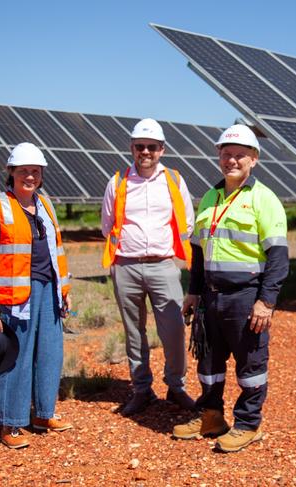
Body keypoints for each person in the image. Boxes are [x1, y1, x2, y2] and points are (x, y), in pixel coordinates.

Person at [172, 124, 289, 453]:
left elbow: (279, 257)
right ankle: (210, 415)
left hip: (245, 296)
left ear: (254, 159)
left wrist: (266, 302)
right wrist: (193, 291)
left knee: (250, 366)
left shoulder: (264, 199)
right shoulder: (210, 196)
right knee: (208, 363)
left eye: (240, 155)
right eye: (227, 154)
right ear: (219, 156)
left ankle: (248, 424)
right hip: (210, 297)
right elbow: (199, 252)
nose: (232, 160)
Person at [0, 142, 73, 449]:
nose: (29, 176)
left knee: (50, 352)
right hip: (15, 293)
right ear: (11, 172)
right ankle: (10, 423)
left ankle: (44, 413)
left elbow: (56, 251)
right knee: (15, 357)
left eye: (35, 171)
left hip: (48, 289)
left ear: (41, 174)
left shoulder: (45, 204)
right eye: (23, 171)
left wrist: (64, 290)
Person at [101, 118, 196, 415]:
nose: (146, 151)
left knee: (173, 330)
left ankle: (176, 387)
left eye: (152, 147)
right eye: (140, 146)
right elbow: (107, 226)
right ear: (131, 148)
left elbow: (188, 224)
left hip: (163, 265)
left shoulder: (175, 180)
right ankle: (141, 390)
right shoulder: (117, 181)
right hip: (126, 266)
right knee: (134, 332)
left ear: (161, 149)